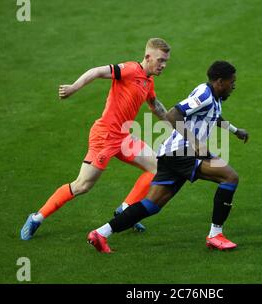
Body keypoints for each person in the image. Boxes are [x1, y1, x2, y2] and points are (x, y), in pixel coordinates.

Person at [87, 60, 249, 253]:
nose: (234, 86)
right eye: (232, 82)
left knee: (151, 205)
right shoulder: (204, 95)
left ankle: (101, 233)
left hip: (172, 153)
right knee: (230, 177)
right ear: (220, 82)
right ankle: (215, 235)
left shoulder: (215, 97)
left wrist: (234, 130)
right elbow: (173, 114)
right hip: (182, 152)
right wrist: (195, 142)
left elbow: (214, 116)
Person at [20, 38, 171, 240]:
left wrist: (175, 122)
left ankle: (125, 210)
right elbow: (97, 71)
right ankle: (37, 217)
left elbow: (154, 105)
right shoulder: (129, 69)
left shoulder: (148, 81)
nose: (163, 65)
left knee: (158, 168)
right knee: (82, 185)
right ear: (147, 57)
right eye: (160, 60)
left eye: (166, 61)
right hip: (105, 136)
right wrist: (73, 87)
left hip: (124, 136)